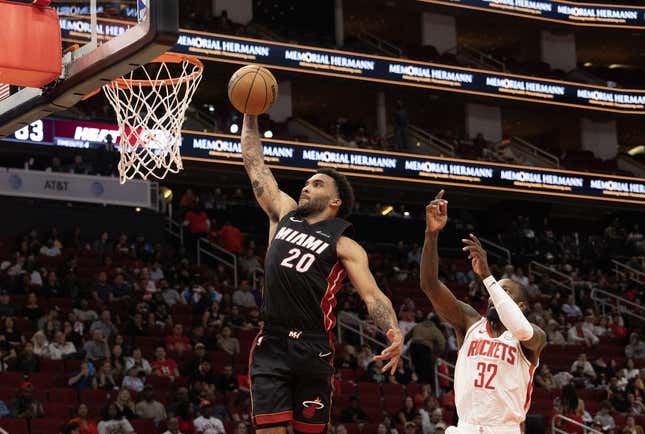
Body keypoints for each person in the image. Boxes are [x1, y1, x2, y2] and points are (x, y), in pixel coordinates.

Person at [241, 114, 403, 433]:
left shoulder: (346, 245)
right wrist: (249, 116)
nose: (306, 186)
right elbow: (255, 165)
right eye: (306, 182)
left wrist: (393, 330)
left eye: (316, 184)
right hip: (272, 340)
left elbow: (372, 296)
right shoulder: (284, 214)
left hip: (313, 346)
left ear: (335, 201)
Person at [420, 190, 546, 434]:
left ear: (520, 306)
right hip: (465, 427)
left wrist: (488, 277)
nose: (494, 297)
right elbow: (429, 285)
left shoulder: (534, 338)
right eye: (495, 291)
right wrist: (431, 234)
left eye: (504, 292)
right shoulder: (469, 322)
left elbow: (521, 328)